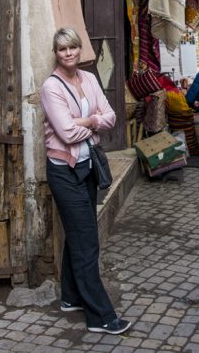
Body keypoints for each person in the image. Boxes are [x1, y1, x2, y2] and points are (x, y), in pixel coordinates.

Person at [41, 27, 132, 335]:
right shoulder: (50, 88)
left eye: (72, 48)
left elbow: (111, 117)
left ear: (80, 50)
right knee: (87, 243)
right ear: (56, 54)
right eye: (62, 49)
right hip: (64, 172)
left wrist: (86, 121)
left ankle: (70, 297)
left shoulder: (91, 79)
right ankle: (101, 316)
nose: (68, 54)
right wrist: (93, 123)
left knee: (81, 235)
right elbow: (65, 134)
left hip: (88, 168)